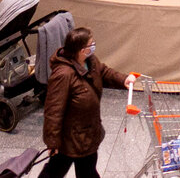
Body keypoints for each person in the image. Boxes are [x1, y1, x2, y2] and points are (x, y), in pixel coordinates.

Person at [41, 26, 127, 178]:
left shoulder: (90, 61)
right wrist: (52, 142)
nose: (93, 46)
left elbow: (103, 71)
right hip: (72, 138)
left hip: (87, 133)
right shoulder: (63, 75)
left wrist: (123, 79)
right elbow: (53, 111)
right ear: (81, 50)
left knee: (78, 170)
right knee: (62, 170)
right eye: (91, 44)